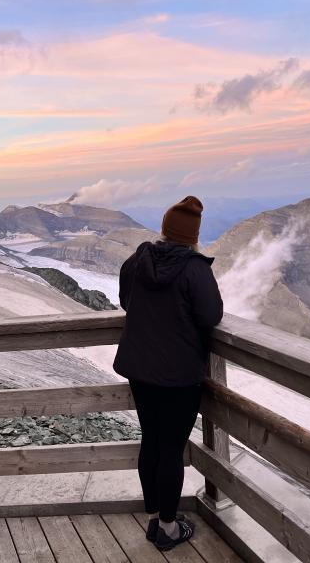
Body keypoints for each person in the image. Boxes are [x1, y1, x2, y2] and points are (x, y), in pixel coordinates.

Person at [113, 195, 224, 552]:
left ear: (163, 229)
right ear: (193, 236)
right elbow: (210, 316)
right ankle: (168, 527)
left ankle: (156, 514)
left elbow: (126, 301)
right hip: (178, 375)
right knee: (172, 449)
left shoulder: (138, 260)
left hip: (140, 370)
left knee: (152, 440)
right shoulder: (195, 269)